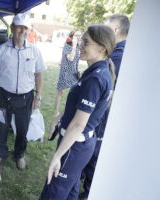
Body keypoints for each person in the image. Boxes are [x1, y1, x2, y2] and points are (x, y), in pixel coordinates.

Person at [39, 24, 116, 200]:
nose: (80, 46)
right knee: (71, 190)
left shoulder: (96, 77)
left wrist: (57, 157)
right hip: (79, 143)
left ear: (102, 48)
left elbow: (79, 124)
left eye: (86, 43)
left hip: (75, 144)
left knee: (54, 192)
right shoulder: (97, 72)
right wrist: (61, 119)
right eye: (81, 42)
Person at [79, 14, 130, 200]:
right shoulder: (125, 53)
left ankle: (87, 193)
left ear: (115, 31)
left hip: (102, 117)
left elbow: (103, 87)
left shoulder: (117, 56)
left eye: (106, 28)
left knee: (93, 159)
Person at [0, 13, 46, 170]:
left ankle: (19, 154)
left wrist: (38, 96)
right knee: (1, 128)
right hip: (4, 96)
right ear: (12, 28)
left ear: (29, 30)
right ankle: (0, 153)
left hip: (26, 97)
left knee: (22, 129)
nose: (22, 31)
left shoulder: (35, 51)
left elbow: (39, 74)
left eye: (25, 28)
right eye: (19, 27)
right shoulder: (1, 50)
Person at [54, 30, 82, 117]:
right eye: (76, 35)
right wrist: (74, 45)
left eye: (80, 36)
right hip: (65, 72)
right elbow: (70, 58)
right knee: (60, 92)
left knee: (75, 92)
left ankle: (71, 111)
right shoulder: (68, 45)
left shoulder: (78, 46)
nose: (78, 37)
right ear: (72, 36)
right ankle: (56, 111)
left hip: (74, 71)